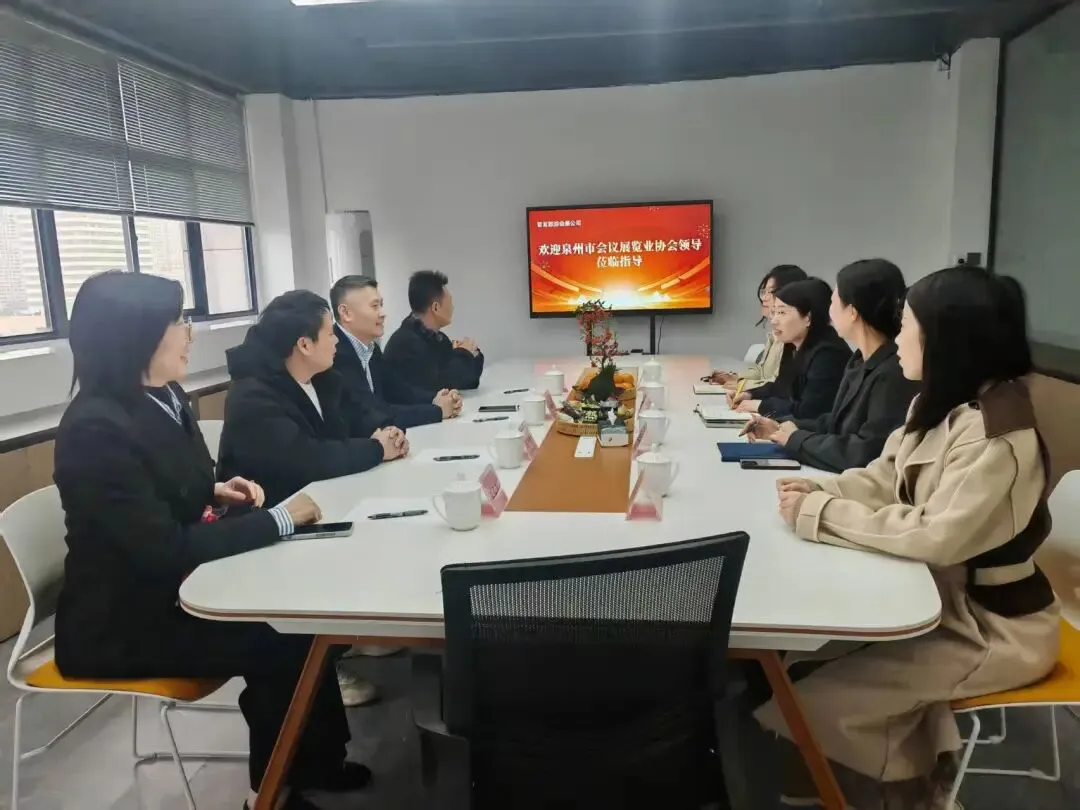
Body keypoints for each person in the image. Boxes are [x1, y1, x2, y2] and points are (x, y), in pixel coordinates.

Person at [52, 271, 362, 810]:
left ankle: (316, 763)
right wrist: (279, 519)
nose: (190, 333)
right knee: (280, 637)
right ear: (135, 335)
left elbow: (167, 486)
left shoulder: (166, 395)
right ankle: (270, 795)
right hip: (125, 621)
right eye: (177, 321)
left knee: (302, 617)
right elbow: (162, 548)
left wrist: (216, 490)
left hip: (177, 588)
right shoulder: (93, 430)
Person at [757, 265, 1059, 809]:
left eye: (907, 326)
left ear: (946, 338)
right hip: (939, 599)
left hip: (989, 627)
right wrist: (823, 490)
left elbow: (935, 534)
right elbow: (884, 476)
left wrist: (822, 513)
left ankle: (890, 793)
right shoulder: (937, 404)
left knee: (816, 700)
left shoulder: (997, 436)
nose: (897, 338)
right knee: (798, 662)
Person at [217, 290, 409, 509]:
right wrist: (378, 449)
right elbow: (307, 460)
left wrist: (389, 433)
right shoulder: (251, 396)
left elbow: (361, 415)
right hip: (276, 513)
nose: (337, 340)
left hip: (330, 499)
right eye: (330, 334)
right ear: (305, 345)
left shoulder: (323, 378)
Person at [740, 259, 917, 472]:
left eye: (833, 302)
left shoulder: (893, 372)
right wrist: (782, 427)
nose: (828, 312)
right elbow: (835, 423)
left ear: (852, 312)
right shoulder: (860, 361)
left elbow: (865, 452)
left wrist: (796, 439)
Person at [330, 274, 462, 429]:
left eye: (381, 305)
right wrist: (437, 411)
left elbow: (398, 391)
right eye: (374, 306)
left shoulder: (371, 349)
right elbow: (374, 412)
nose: (382, 313)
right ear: (346, 313)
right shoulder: (335, 354)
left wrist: (436, 399)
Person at [730, 278, 850, 420]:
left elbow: (810, 412)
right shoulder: (794, 345)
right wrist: (750, 394)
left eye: (782, 313)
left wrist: (762, 406)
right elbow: (782, 387)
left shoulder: (828, 355)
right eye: (774, 312)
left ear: (807, 318)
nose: (774, 321)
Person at [382, 269, 484, 395]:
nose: (453, 307)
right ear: (436, 307)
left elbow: (468, 381)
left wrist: (473, 353)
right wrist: (463, 354)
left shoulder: (438, 339)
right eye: (450, 302)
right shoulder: (405, 344)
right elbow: (440, 385)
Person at [709, 264, 807, 388]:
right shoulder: (775, 335)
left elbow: (780, 385)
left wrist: (742, 385)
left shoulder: (795, 339)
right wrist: (736, 377)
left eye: (770, 292)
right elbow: (762, 372)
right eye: (763, 292)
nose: (764, 298)